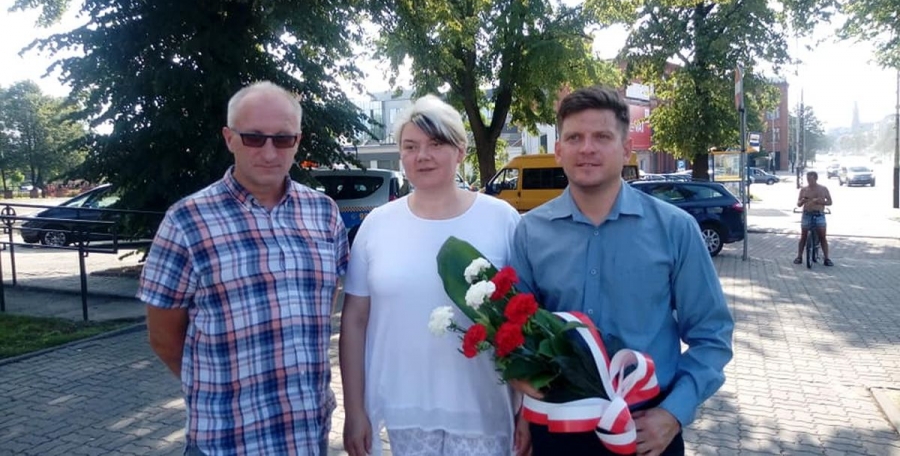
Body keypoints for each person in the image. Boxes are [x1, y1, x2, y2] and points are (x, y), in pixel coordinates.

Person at [510, 85, 734, 456]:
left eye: (602, 137)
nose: (587, 148)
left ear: (626, 148)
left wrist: (674, 413)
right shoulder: (530, 232)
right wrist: (524, 399)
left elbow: (712, 335)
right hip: (557, 429)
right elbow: (515, 332)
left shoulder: (675, 229)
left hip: (647, 431)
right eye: (575, 138)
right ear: (559, 150)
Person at [138, 81, 349, 456]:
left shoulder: (323, 212)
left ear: (298, 141)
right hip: (227, 439)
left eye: (282, 139)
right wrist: (216, 387)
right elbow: (164, 337)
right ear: (229, 138)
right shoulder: (187, 220)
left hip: (306, 433)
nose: (269, 152)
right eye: (253, 138)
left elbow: (324, 304)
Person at [339, 95, 527, 456]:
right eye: (410, 146)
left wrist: (530, 410)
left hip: (484, 407)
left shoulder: (501, 219)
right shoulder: (377, 225)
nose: (422, 155)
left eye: (436, 143)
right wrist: (354, 409)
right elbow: (355, 321)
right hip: (406, 409)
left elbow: (524, 318)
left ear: (461, 151)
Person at [794, 170, 833, 266]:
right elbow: (798, 204)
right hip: (807, 214)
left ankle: (827, 258)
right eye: (808, 179)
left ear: (815, 179)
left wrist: (820, 201)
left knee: (822, 236)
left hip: (819, 214)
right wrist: (802, 201)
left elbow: (830, 202)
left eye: (811, 179)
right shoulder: (804, 190)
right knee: (803, 236)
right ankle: (799, 257)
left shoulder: (823, 189)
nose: (809, 182)